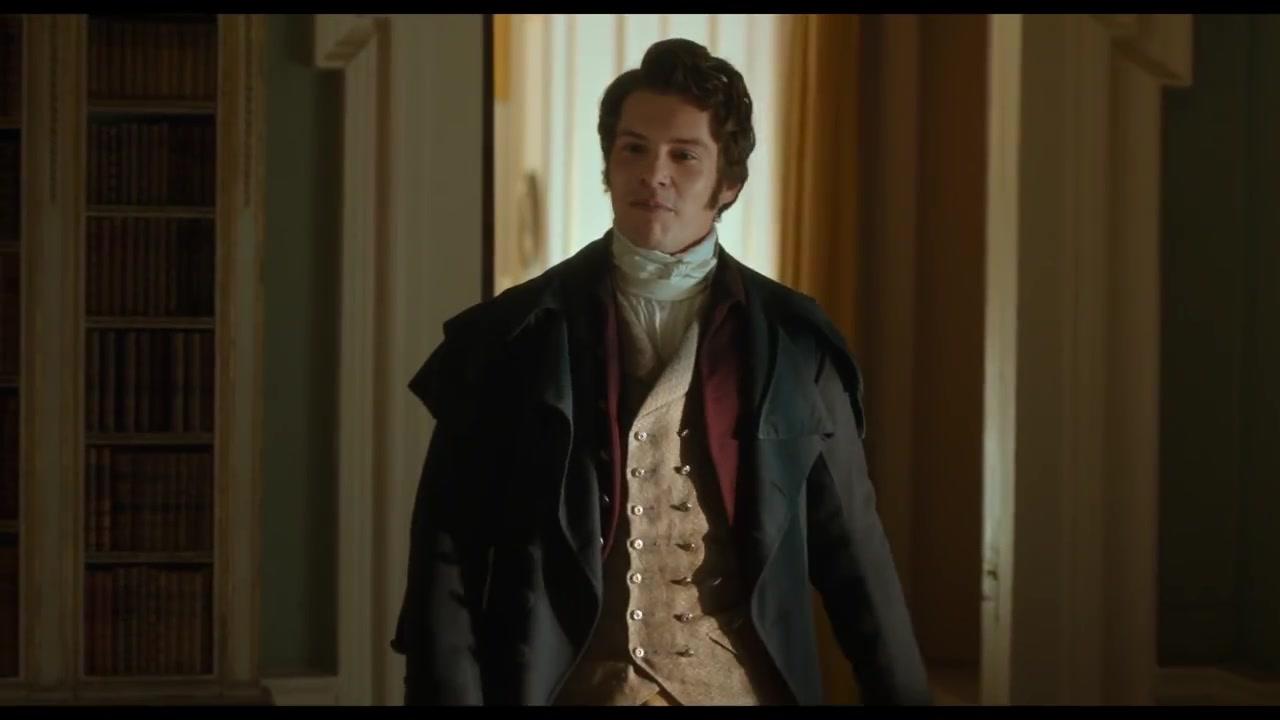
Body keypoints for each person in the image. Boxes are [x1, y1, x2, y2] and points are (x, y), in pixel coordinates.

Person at [390, 37, 930, 706]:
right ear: (609, 165)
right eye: (634, 149)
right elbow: (447, 560)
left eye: (684, 155)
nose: (654, 174)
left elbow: (856, 561)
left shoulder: (794, 343)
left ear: (728, 183)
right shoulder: (512, 338)